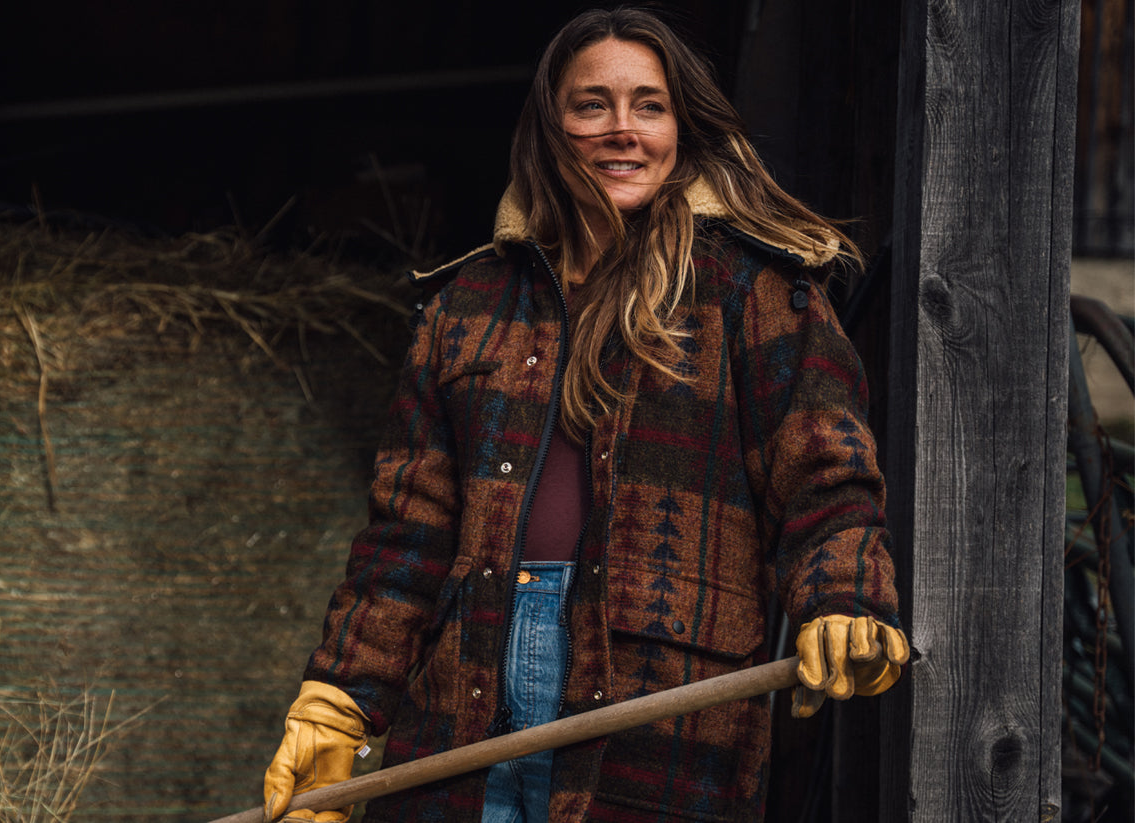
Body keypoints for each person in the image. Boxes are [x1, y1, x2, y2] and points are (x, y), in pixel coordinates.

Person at [259, 7, 910, 823]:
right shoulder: (468, 302)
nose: (622, 130)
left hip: (659, 704)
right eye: (591, 105)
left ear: (683, 126)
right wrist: (340, 695)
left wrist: (846, 594)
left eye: (649, 105)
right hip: (467, 690)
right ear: (550, 127)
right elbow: (407, 532)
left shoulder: (754, 291)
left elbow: (825, 472)